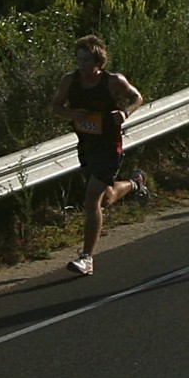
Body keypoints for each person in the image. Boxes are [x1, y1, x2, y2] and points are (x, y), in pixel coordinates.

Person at [51, 34, 148, 276]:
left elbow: (137, 98)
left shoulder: (113, 81)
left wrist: (125, 113)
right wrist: (72, 115)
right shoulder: (69, 81)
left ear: (98, 61)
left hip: (109, 146)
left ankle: (87, 258)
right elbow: (56, 107)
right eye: (78, 59)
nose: (81, 65)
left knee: (91, 199)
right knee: (106, 198)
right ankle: (135, 184)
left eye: (86, 60)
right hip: (86, 146)